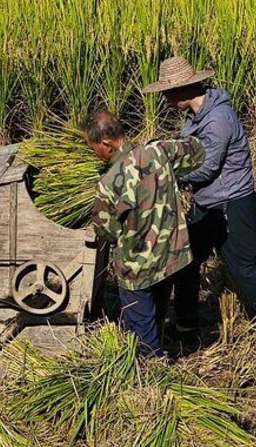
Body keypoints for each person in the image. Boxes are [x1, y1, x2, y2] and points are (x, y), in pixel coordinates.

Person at [142, 56, 256, 335]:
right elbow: (189, 151)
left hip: (232, 204)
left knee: (243, 268)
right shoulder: (195, 117)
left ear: (181, 90)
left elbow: (206, 169)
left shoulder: (218, 119)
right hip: (207, 204)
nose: (164, 99)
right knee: (185, 263)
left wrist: (167, 174)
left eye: (166, 92)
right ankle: (186, 325)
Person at [84, 109, 205, 356]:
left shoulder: (108, 184)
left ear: (106, 144)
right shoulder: (158, 151)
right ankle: (159, 347)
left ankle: (153, 375)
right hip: (171, 257)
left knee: (142, 336)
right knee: (158, 312)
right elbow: (198, 151)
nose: (93, 153)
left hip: (137, 269)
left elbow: (106, 232)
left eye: (93, 147)